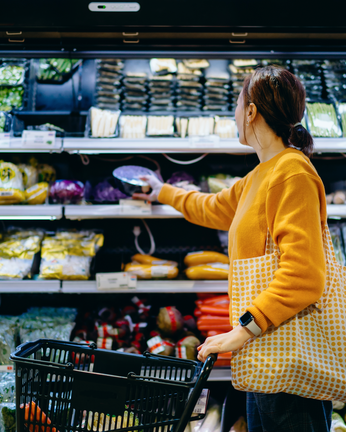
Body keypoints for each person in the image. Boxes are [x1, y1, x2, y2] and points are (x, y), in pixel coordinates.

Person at [133, 65, 331, 432]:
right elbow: (210, 207)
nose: (235, 114)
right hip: (266, 354)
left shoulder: (293, 173)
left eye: (237, 104)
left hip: (290, 362)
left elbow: (304, 275)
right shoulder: (260, 175)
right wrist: (160, 190)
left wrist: (242, 330)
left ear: (252, 110)